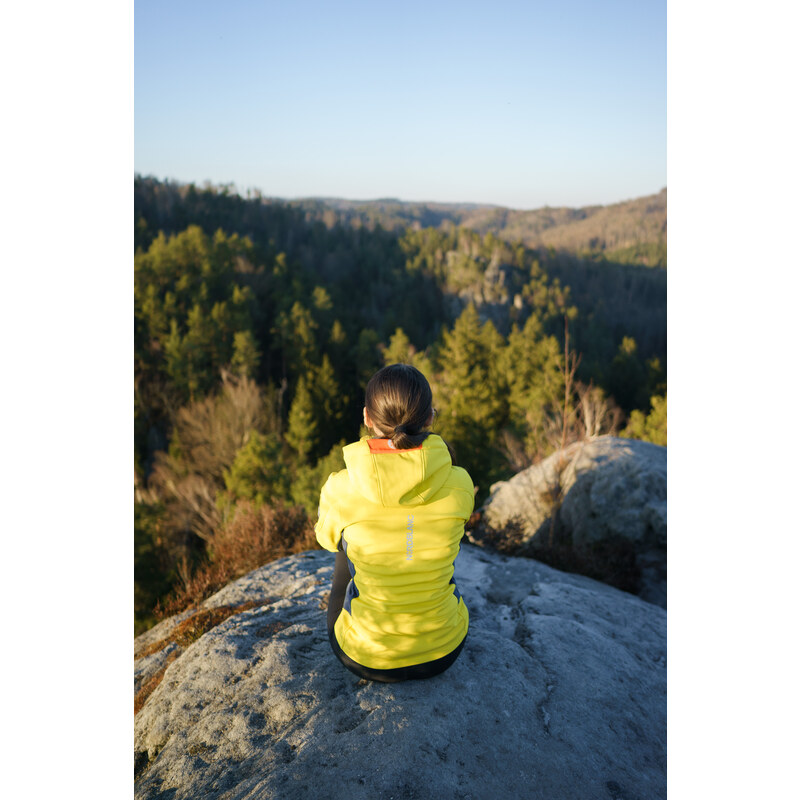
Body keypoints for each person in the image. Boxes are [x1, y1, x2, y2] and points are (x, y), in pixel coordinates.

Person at [315, 363, 475, 683]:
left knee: (344, 546)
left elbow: (325, 538)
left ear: (366, 418)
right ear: (430, 418)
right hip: (444, 651)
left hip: (365, 656)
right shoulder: (460, 483)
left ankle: (351, 616)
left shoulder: (341, 488)